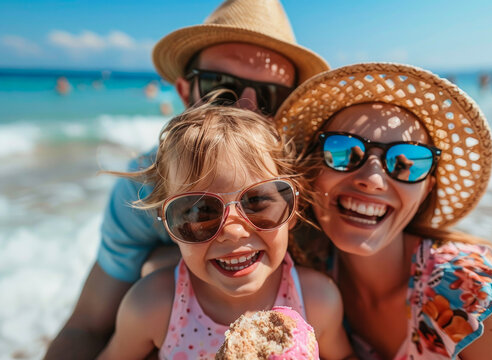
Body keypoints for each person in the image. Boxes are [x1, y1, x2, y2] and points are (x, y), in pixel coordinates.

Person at [45, 1, 329, 359]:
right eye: (222, 90)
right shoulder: (142, 187)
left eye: (271, 97)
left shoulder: (325, 180)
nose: (243, 111)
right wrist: (165, 274)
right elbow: (87, 325)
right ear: (183, 92)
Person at [275, 63, 492, 359]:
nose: (372, 180)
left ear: (426, 189)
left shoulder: (474, 295)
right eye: (344, 151)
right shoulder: (296, 281)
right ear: (311, 172)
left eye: (406, 163)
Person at [96, 103, 355, 360]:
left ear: (292, 208)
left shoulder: (317, 302)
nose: (233, 232)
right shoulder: (152, 307)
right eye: (202, 212)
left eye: (256, 203)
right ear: (169, 225)